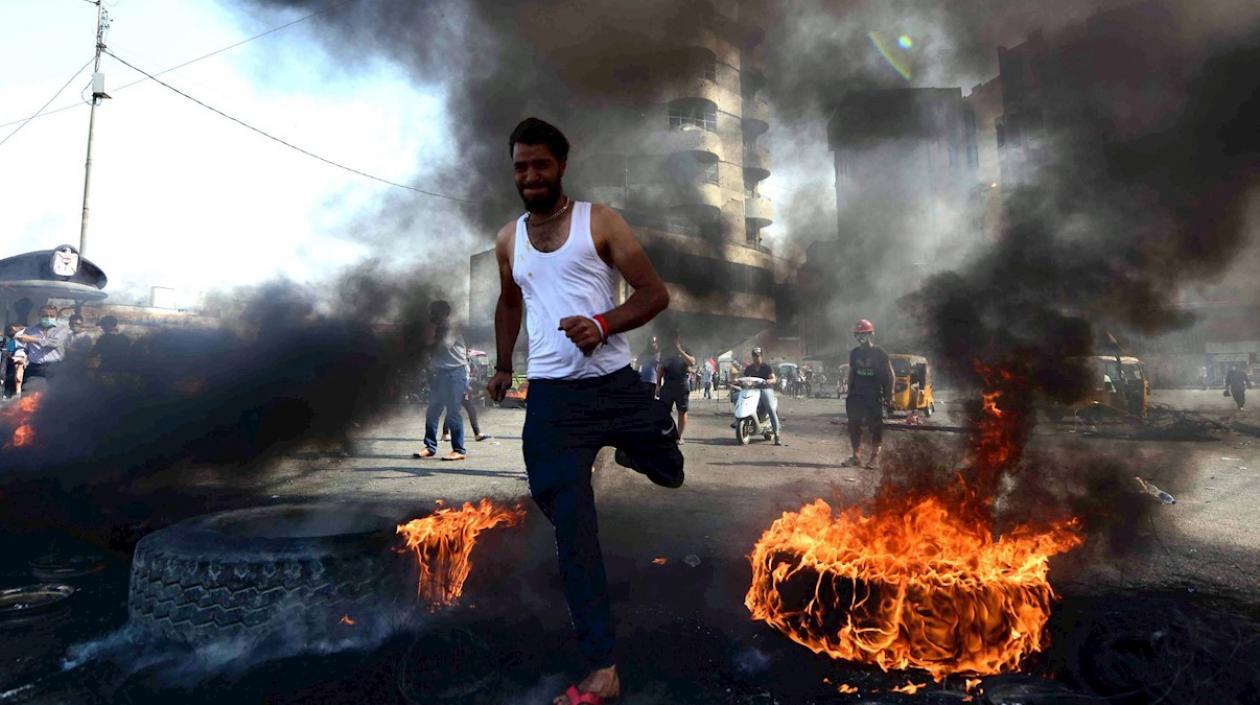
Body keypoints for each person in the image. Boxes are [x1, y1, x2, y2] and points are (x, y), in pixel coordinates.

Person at [485, 117, 683, 705]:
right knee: (573, 530)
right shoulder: (508, 239)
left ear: (562, 166)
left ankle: (633, 449)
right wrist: (503, 365)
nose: (530, 175)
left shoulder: (600, 222)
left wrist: (602, 323)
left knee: (670, 469)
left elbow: (654, 294)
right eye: (520, 166)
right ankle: (603, 667)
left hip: (614, 386)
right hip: (554, 401)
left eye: (540, 164)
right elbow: (510, 302)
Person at [412, 300, 469, 461]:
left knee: (452, 412)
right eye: (431, 312)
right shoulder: (436, 327)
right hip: (440, 374)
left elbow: (443, 346)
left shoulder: (451, 327)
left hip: (455, 373)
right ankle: (430, 447)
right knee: (432, 411)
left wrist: (423, 344)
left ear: (444, 313)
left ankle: (458, 450)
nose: (432, 315)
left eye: (434, 312)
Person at [842, 319, 894, 469]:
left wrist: (889, 394)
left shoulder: (879, 353)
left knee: (875, 427)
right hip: (857, 395)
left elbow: (891, 374)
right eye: (858, 334)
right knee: (853, 425)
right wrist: (849, 392)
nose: (860, 337)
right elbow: (852, 373)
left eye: (863, 334)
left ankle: (874, 458)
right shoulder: (855, 353)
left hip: (874, 395)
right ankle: (856, 457)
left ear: (871, 334)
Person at [656, 331, 695, 444]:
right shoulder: (665, 351)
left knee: (682, 411)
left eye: (676, 338)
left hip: (682, 384)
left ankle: (679, 436)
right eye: (672, 338)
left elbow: (692, 362)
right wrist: (658, 385)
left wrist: (680, 351)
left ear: (679, 338)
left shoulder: (686, 349)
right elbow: (660, 369)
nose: (674, 341)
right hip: (668, 384)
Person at [16, 305, 69, 387]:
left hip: (54, 367)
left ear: (56, 317)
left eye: (52, 316)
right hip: (35, 367)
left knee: (53, 391)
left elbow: (53, 343)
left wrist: (32, 339)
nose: (48, 318)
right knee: (31, 390)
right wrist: (21, 358)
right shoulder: (30, 330)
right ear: (39, 315)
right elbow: (22, 347)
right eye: (45, 316)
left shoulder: (62, 329)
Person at [742, 347, 782, 445]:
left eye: (758, 356)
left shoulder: (767, 367)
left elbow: (773, 379)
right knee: (740, 399)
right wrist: (739, 381)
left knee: (771, 409)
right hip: (753, 391)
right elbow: (744, 378)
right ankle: (740, 419)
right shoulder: (749, 368)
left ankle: (777, 434)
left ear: (761, 356)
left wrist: (769, 381)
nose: (756, 358)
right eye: (754, 356)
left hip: (765, 389)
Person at [443, 360, 490, 442]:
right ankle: (445, 433)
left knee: (471, 411)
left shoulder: (467, 363)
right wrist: (466, 386)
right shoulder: (457, 363)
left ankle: (477, 433)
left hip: (464, 391)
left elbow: (466, 377)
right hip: (455, 390)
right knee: (453, 411)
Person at [3, 324, 28, 398]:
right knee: (18, 376)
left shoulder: (28, 339)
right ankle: (17, 393)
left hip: (29, 362)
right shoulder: (12, 342)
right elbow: (9, 353)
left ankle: (18, 393)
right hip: (17, 360)